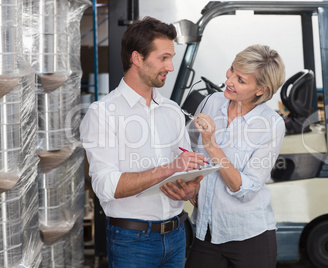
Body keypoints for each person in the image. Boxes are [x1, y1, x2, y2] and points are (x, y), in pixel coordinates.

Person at [80, 16, 207, 268]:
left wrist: (193, 188)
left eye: (171, 57)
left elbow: (189, 166)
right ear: (137, 58)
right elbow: (105, 185)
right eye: (163, 58)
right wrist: (169, 169)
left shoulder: (171, 110)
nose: (170, 67)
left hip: (177, 235)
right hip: (132, 242)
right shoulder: (103, 112)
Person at [163, 44, 286, 267]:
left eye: (241, 80)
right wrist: (192, 184)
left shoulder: (271, 125)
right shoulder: (212, 102)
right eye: (232, 70)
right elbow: (188, 147)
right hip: (206, 231)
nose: (229, 80)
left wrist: (212, 144)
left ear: (261, 90)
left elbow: (246, 190)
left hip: (250, 238)